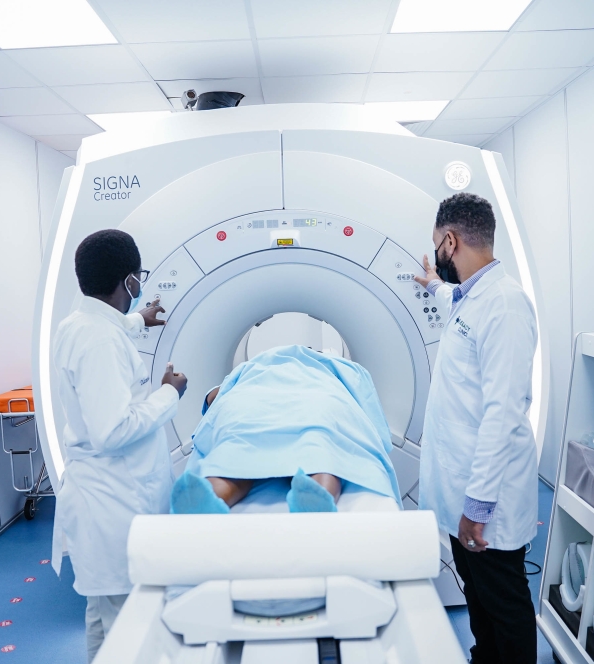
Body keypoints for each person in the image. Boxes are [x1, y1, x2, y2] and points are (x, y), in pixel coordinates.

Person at [52, 229, 188, 662]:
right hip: (114, 505)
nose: (141, 284)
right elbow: (112, 431)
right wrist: (169, 394)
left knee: (101, 620)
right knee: (128, 627)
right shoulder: (100, 341)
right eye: (139, 277)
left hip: (104, 500)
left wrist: (138, 319)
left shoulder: (81, 324)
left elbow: (110, 327)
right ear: (129, 281)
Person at [414, 193, 539, 664]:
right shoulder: (472, 297)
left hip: (486, 498)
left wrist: (478, 506)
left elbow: (503, 415)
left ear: (451, 240)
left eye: (436, 248)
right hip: (460, 487)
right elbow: (455, 305)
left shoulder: (505, 306)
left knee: (504, 602)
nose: (438, 257)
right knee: (477, 595)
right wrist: (432, 283)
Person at [169, 344, 401, 514]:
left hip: (250, 405)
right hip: (317, 399)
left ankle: (213, 494)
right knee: (319, 445)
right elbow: (364, 399)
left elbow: (213, 401)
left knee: (237, 452)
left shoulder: (249, 367)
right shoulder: (336, 367)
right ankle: (318, 490)